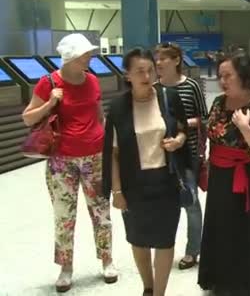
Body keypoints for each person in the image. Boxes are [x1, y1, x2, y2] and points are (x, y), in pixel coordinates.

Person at [22, 33, 117, 293]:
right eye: (85, 54)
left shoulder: (94, 81)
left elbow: (98, 115)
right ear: (70, 57)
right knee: (64, 215)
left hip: (95, 155)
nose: (90, 57)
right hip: (61, 160)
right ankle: (66, 268)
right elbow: (28, 118)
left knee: (101, 212)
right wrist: (51, 102)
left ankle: (107, 260)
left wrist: (108, 144)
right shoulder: (48, 83)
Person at [102, 48, 191, 296]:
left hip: (166, 180)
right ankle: (148, 288)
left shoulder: (168, 97)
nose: (146, 75)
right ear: (127, 74)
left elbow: (184, 128)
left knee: (165, 240)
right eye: (139, 70)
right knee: (138, 239)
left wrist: (179, 140)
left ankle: (160, 292)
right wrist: (116, 191)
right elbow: (114, 153)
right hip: (133, 183)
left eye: (150, 69)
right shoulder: (119, 107)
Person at [198, 50, 250, 295]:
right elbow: (212, 135)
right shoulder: (219, 102)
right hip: (221, 175)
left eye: (228, 75)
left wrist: (245, 127)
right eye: (220, 76)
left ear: (243, 76)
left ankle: (245, 283)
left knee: (247, 230)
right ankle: (220, 280)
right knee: (220, 227)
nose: (223, 81)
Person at [155, 42, 208, 270]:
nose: (159, 63)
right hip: (160, 154)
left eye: (164, 58)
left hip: (188, 153)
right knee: (164, 204)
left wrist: (181, 126)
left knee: (191, 201)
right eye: (157, 59)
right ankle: (163, 248)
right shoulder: (154, 89)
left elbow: (204, 117)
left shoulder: (191, 86)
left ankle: (193, 249)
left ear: (176, 60)